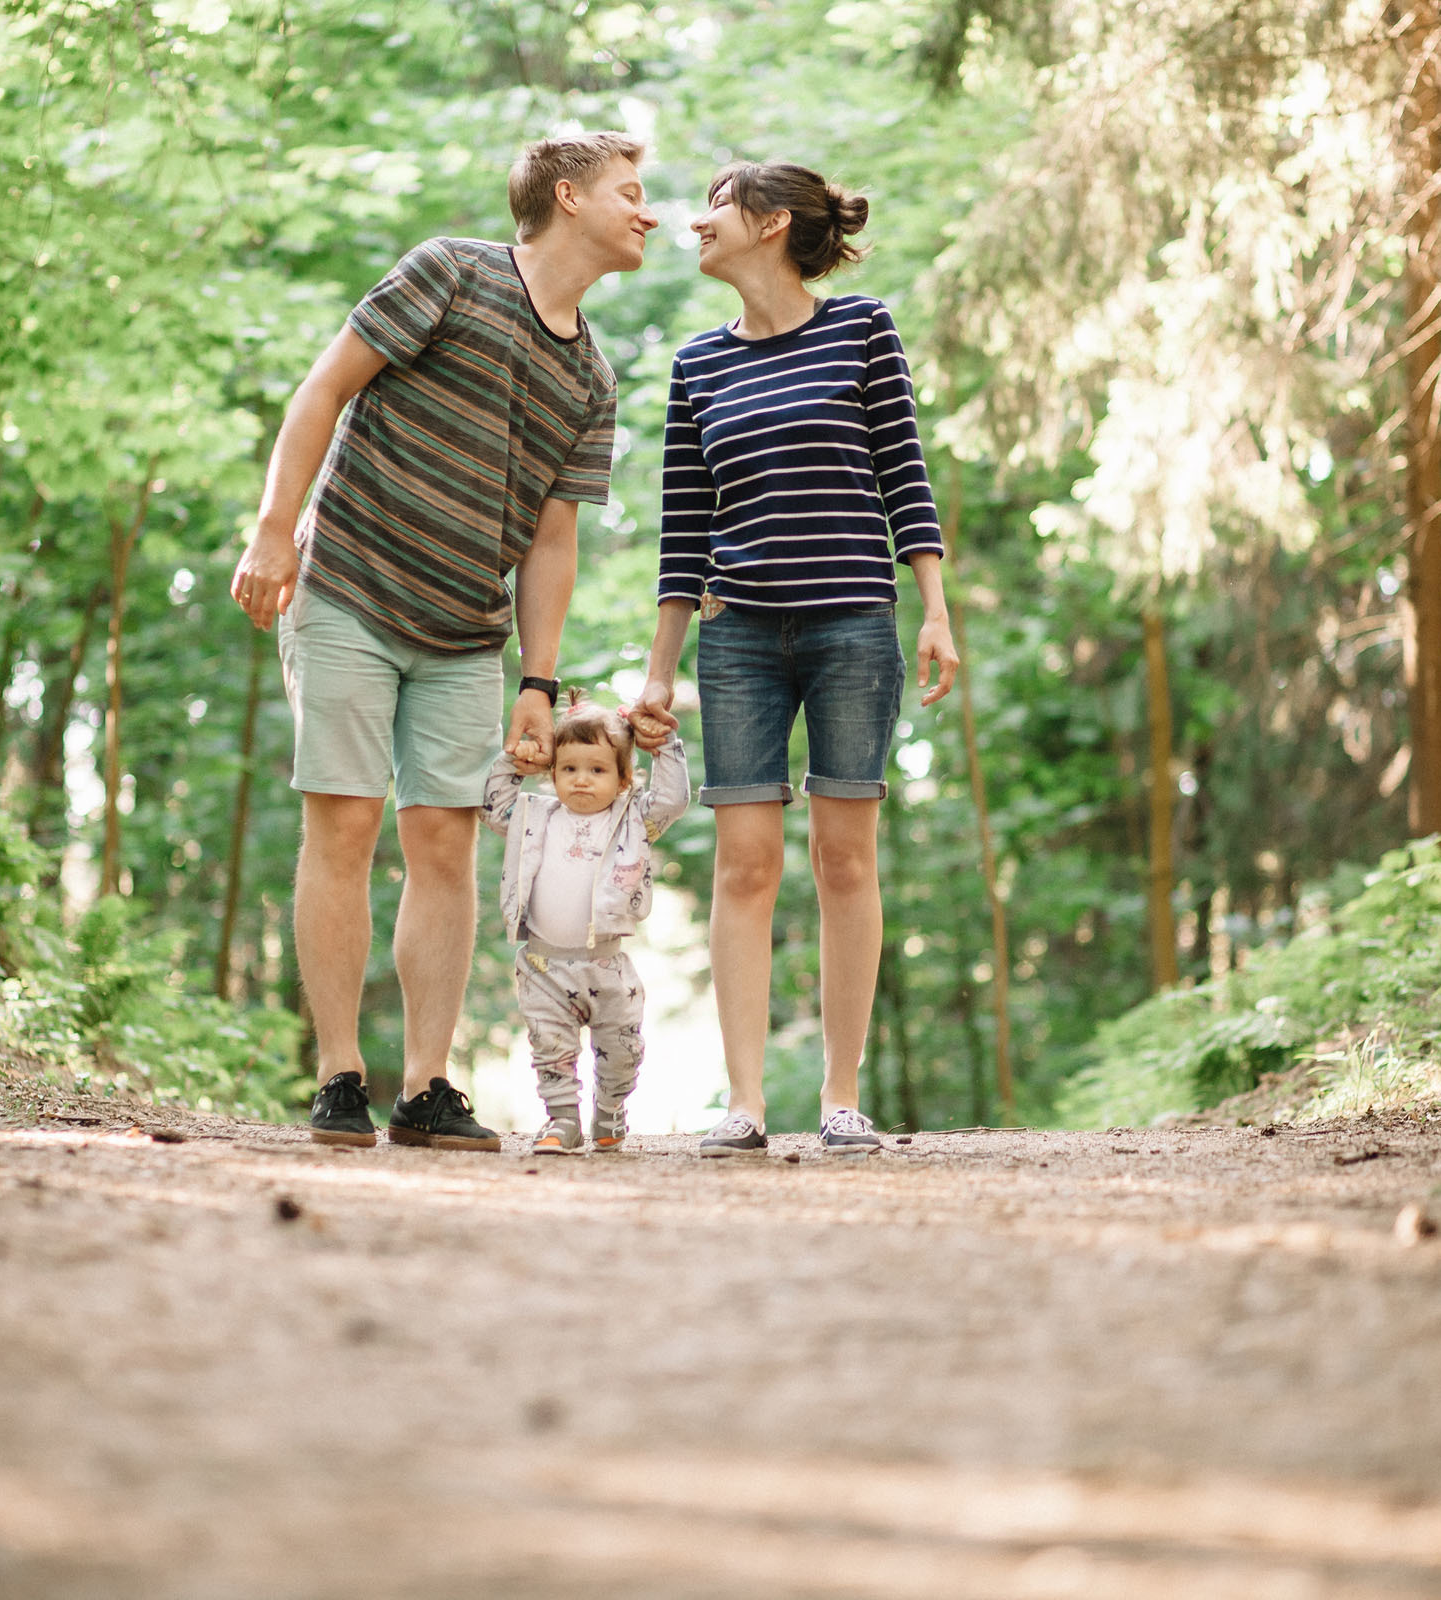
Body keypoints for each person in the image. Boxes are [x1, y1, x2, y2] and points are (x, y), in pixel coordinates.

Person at [229, 133, 658, 1152]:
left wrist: (539, 679)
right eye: (631, 194)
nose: (647, 213)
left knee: (447, 843)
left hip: (466, 633)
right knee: (342, 823)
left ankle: (426, 1085)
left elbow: (556, 535)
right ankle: (340, 1076)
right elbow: (324, 388)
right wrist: (273, 527)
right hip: (348, 587)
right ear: (568, 196)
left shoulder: (594, 377)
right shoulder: (451, 273)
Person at [628, 160, 958, 1158]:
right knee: (745, 865)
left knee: (845, 857)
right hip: (739, 638)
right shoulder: (697, 364)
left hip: (854, 621)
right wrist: (658, 667)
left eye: (717, 208)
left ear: (771, 225)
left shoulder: (863, 328)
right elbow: (683, 528)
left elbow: (906, 471)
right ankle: (744, 1101)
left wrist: (935, 607)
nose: (695, 222)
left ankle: (843, 1096)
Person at [482, 703, 691, 1155]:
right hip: (542, 964)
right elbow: (492, 805)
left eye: (596, 769)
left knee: (622, 1050)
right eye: (569, 768)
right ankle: (562, 1120)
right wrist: (513, 761)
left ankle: (611, 1110)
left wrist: (664, 747)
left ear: (621, 780)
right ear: (552, 773)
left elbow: (673, 800)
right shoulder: (534, 818)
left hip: (606, 966)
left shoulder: (632, 820)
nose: (581, 779)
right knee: (549, 1048)